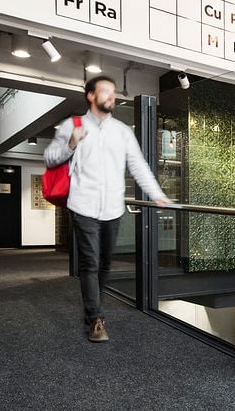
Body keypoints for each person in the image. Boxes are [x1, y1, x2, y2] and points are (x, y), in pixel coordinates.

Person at [44, 75, 171, 343]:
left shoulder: (123, 132)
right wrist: (71, 143)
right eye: (105, 92)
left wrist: (157, 195)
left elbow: (137, 165)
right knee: (90, 262)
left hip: (113, 207)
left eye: (114, 93)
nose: (112, 97)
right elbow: (50, 157)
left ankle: (93, 310)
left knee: (105, 264)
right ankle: (96, 318)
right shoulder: (72, 125)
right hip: (83, 206)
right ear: (91, 95)